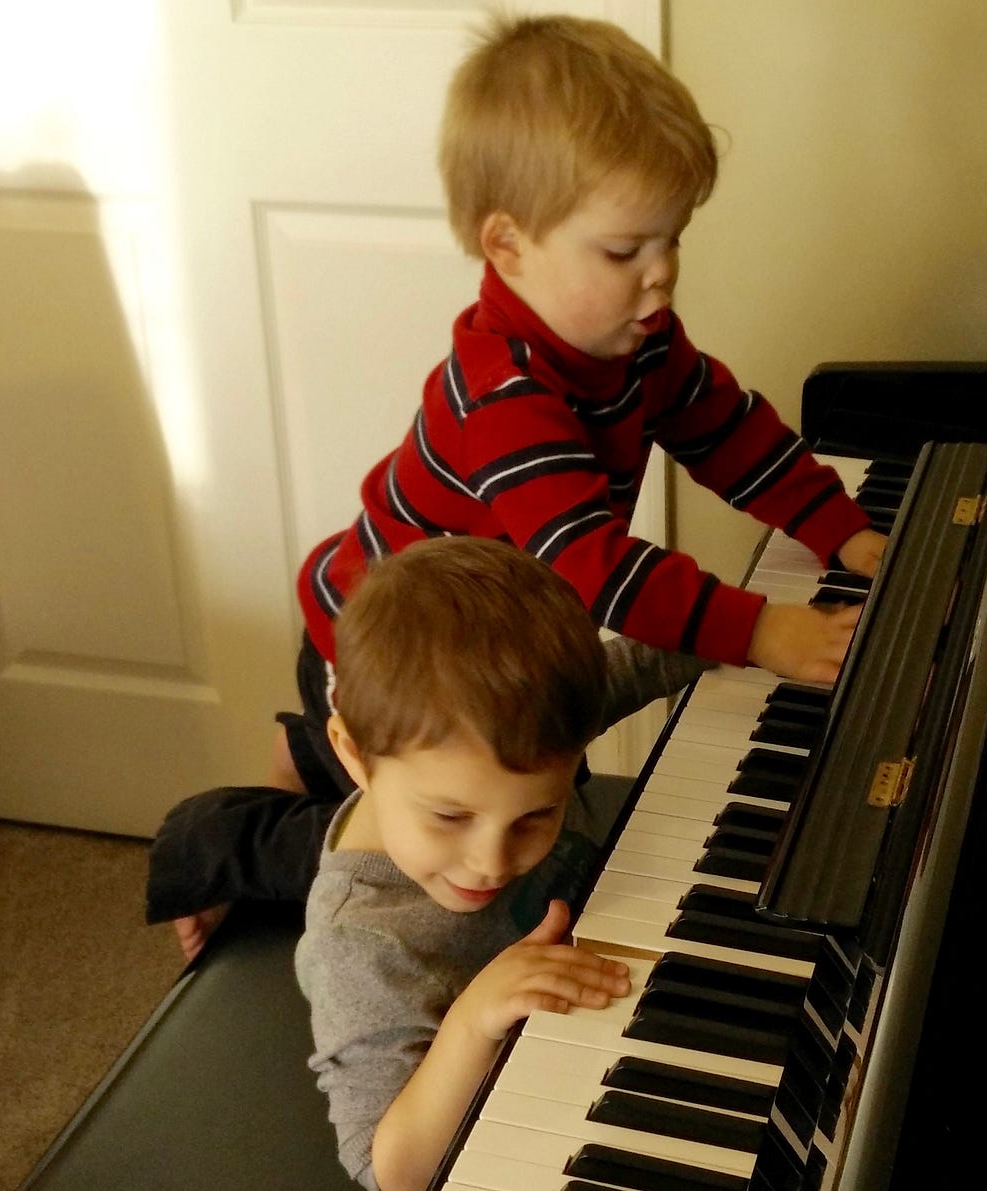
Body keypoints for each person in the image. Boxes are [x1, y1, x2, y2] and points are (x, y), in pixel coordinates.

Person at [145, 11, 888, 957]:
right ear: (507, 245)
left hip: (479, 628)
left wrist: (839, 527)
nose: (661, 275)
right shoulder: (503, 392)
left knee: (478, 817)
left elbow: (724, 427)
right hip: (395, 647)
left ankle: (303, 753)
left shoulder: (636, 339)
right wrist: (760, 628)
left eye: (673, 241)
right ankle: (218, 841)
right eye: (624, 251)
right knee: (419, 852)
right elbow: (596, 568)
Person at [291, 537, 632, 1191]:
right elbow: (387, 1169)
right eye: (450, 816)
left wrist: (759, 633)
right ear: (353, 754)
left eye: (536, 815)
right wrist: (471, 1021)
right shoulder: (361, 946)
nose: (493, 862)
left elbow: (636, 666)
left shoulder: (527, 724)